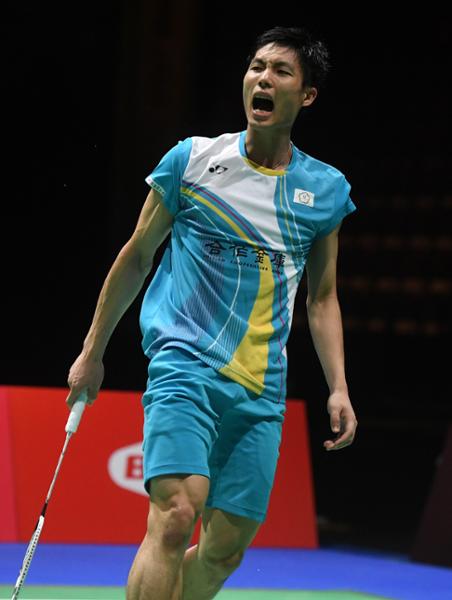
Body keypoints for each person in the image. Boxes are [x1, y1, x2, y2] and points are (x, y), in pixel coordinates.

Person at [66, 25, 358, 600]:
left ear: (307, 95)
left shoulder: (325, 190)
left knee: (225, 548)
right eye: (256, 66)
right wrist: (91, 353)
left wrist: (339, 387)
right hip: (185, 362)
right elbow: (137, 256)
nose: (262, 79)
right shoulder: (193, 161)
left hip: (261, 386)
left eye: (280, 71)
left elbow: (322, 297)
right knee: (177, 513)